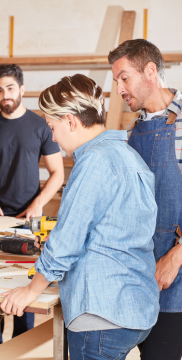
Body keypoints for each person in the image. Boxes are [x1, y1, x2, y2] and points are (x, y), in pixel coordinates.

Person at [0, 74, 160, 360]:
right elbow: (122, 228)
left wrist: (30, 290)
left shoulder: (94, 161)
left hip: (100, 314)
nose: (52, 137)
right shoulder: (127, 155)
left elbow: (67, 243)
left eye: (52, 126)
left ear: (71, 121)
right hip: (137, 306)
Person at [0, 64, 63, 355]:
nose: (4, 94)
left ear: (21, 89)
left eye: (10, 88)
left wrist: (38, 203)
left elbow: (57, 172)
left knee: (25, 280)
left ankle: (21, 344)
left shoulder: (39, 125)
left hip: (28, 219)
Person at [108, 39, 182, 360]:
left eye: (124, 78)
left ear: (150, 71)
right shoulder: (131, 134)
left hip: (176, 278)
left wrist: (177, 257)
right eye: (116, 82)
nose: (120, 89)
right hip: (140, 279)